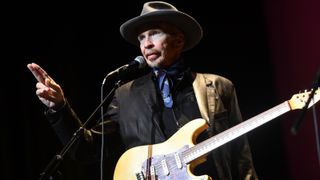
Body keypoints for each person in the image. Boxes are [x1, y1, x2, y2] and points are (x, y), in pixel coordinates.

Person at [28, 1, 259, 180]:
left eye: (154, 34)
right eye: (141, 37)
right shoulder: (125, 94)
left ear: (179, 40)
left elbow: (241, 156)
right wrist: (60, 107)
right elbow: (88, 150)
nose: (146, 44)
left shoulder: (217, 86)